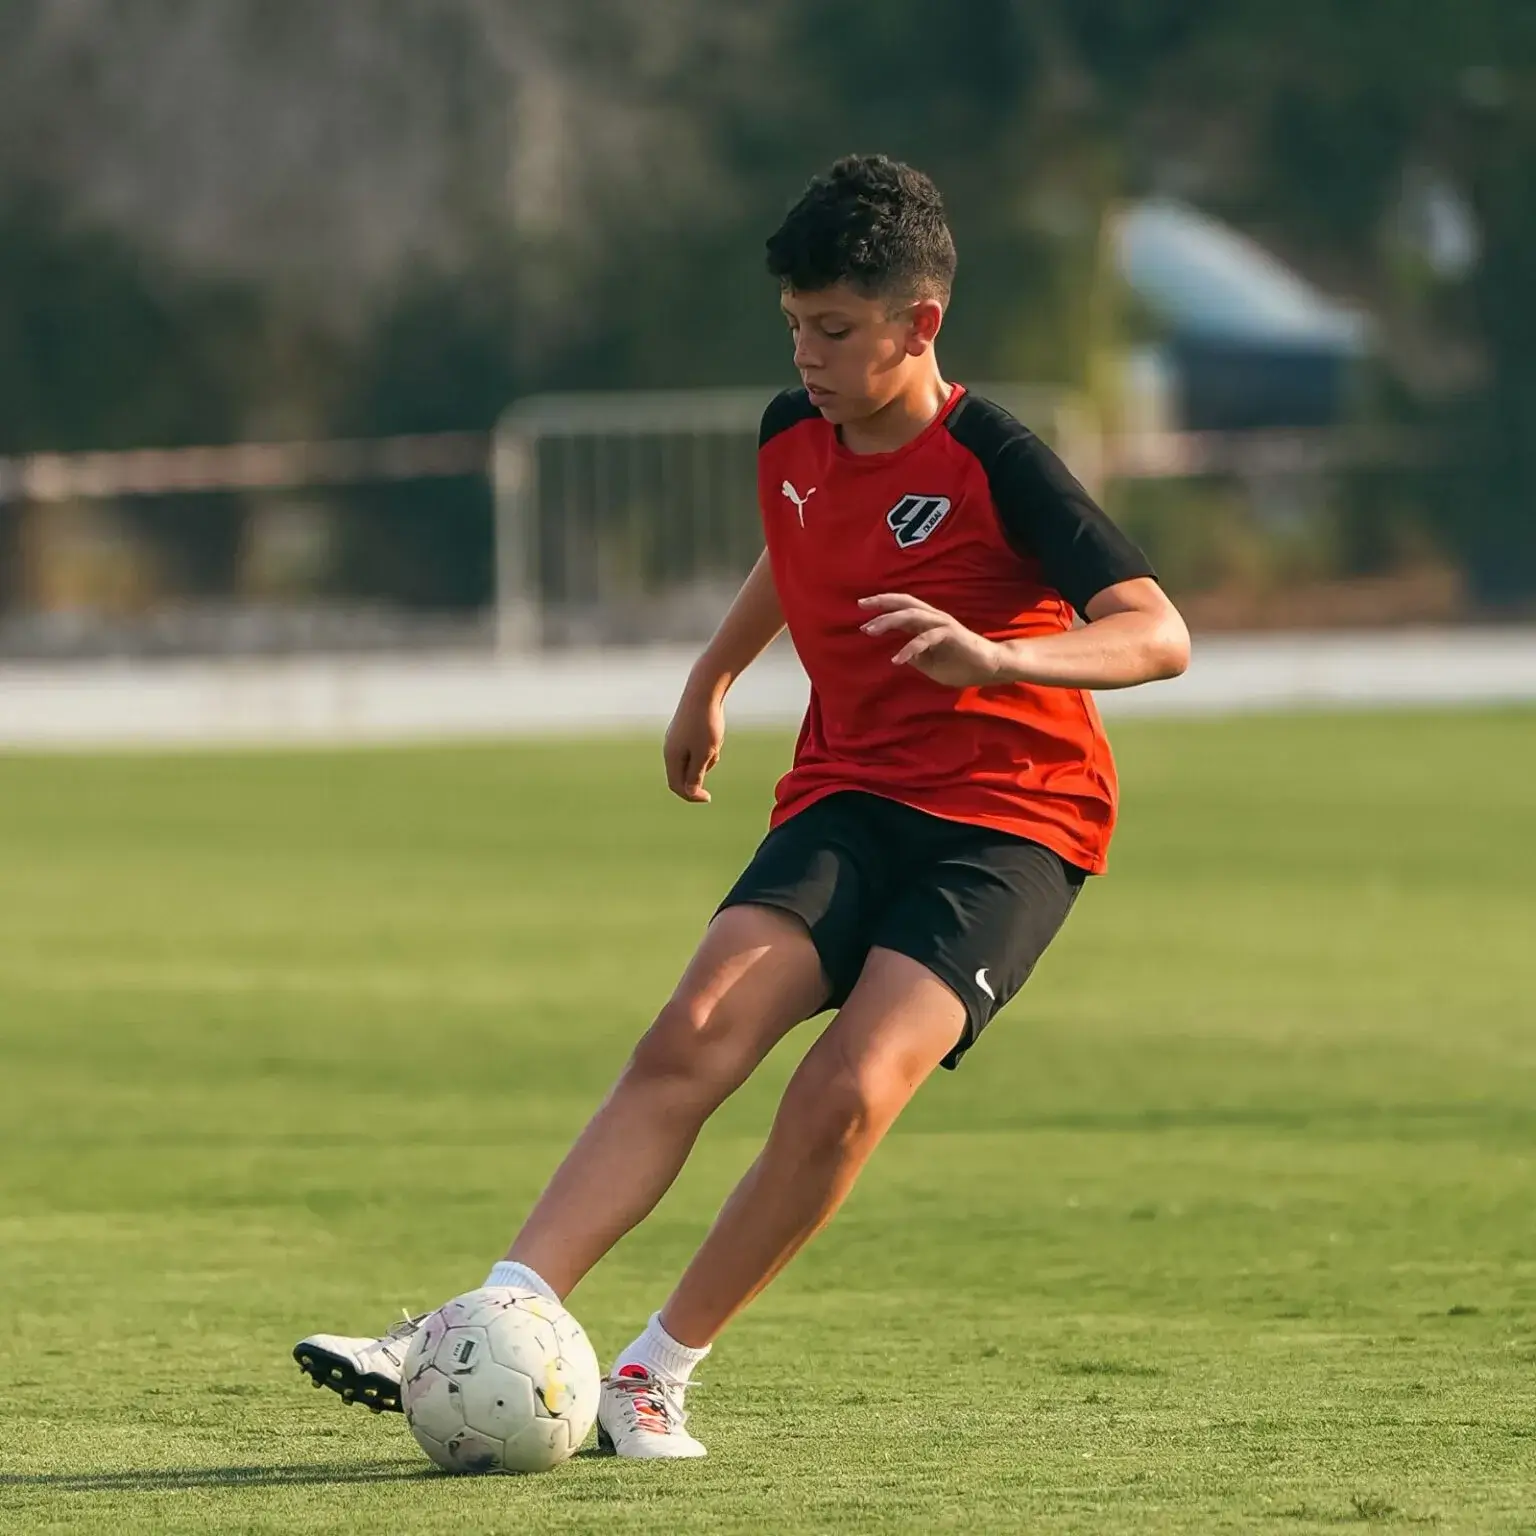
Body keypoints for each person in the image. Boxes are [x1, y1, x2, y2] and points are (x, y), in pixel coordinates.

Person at [293, 153, 1190, 1459]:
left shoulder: (997, 460)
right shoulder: (791, 436)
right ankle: (480, 1318)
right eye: (796, 330)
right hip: (852, 793)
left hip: (1012, 821)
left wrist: (1003, 658)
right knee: (693, 1028)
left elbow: (1158, 634)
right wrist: (713, 675)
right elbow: (798, 544)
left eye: (835, 331)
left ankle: (653, 1373)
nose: (810, 356)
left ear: (918, 324)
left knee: (847, 1087)